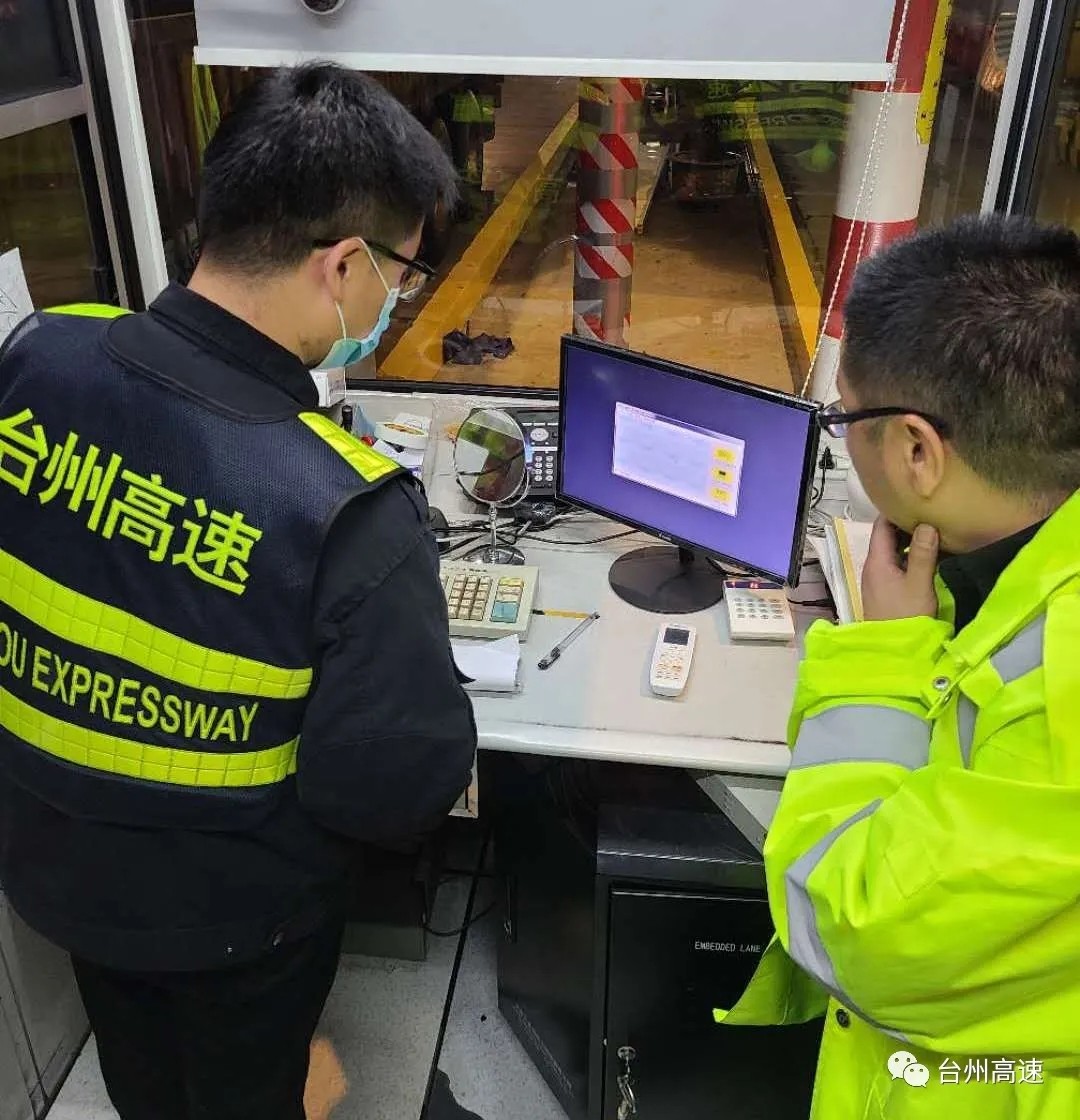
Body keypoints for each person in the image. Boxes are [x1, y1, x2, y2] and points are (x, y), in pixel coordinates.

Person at [0, 63, 476, 1119]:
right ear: (342, 265)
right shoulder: (343, 508)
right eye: (399, 272)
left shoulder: (38, 359)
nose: (393, 300)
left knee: (143, 1079)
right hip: (235, 924)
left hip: (54, 863)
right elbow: (392, 791)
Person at [719, 214, 1080, 1118]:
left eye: (845, 418)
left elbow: (852, 927)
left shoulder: (1056, 701)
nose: (841, 439)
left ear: (919, 451)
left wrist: (882, 653)